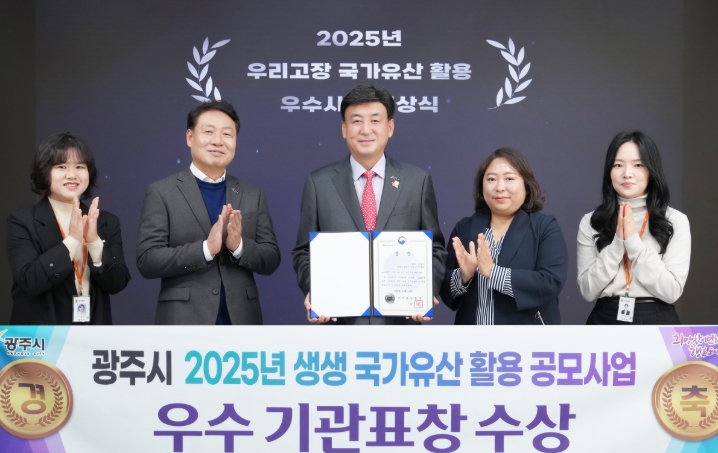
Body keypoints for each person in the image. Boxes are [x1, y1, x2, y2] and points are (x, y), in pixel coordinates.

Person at [292, 84, 447, 325]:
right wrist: (317, 291)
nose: (366, 130)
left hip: (400, 323)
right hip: (340, 323)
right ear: (344, 128)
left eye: (375, 120)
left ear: (390, 127)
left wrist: (425, 291)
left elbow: (435, 248)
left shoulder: (417, 181)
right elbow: (304, 251)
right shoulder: (319, 183)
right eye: (356, 121)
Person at [136, 101, 280, 324]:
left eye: (227, 134)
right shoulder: (162, 192)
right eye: (209, 132)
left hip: (242, 322)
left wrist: (239, 246)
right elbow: (148, 260)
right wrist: (205, 250)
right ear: (190, 137)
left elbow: (271, 258)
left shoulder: (253, 193)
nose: (218, 141)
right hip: (183, 322)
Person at [7, 132, 130, 324]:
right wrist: (72, 241)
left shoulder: (106, 221)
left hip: (93, 334)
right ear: (44, 171)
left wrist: (94, 243)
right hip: (42, 335)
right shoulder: (22, 221)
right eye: (61, 166)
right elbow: (30, 281)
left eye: (80, 167)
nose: (72, 175)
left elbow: (117, 283)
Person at [440, 148, 568, 325]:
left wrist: (493, 273)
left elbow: (550, 282)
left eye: (509, 178)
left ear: (526, 185)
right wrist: (463, 276)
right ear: (482, 186)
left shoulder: (544, 227)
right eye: (491, 179)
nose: (500, 187)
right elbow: (444, 288)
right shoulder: (464, 227)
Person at [577, 131, 690, 324]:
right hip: (604, 319)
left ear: (651, 171)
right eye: (618, 165)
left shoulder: (675, 220)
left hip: (657, 319)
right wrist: (617, 245)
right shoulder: (591, 221)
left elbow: (671, 291)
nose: (627, 173)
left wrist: (633, 243)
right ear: (609, 172)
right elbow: (587, 291)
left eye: (638, 165)